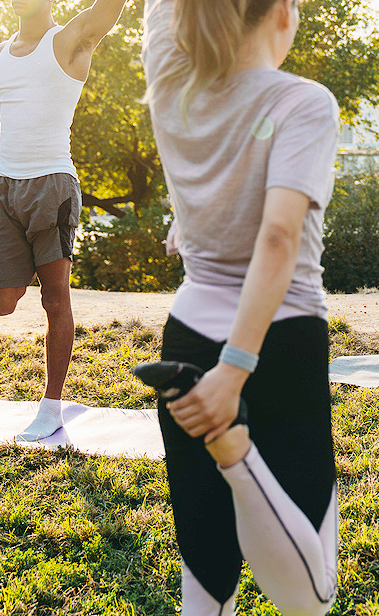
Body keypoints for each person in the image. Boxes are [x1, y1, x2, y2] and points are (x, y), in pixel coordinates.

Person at [141, 0, 339, 614]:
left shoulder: (172, 85)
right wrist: (234, 370)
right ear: (283, 12)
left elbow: (159, 16)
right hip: (274, 344)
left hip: (187, 341)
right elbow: (277, 239)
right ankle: (233, 447)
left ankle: (229, 446)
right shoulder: (303, 102)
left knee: (204, 574)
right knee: (314, 596)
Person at [0, 0, 126, 442]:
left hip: (51, 185)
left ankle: (51, 406)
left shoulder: (68, 41)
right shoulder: (0, 52)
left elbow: (109, 9)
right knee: (4, 301)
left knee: (54, 298)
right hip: (2, 188)